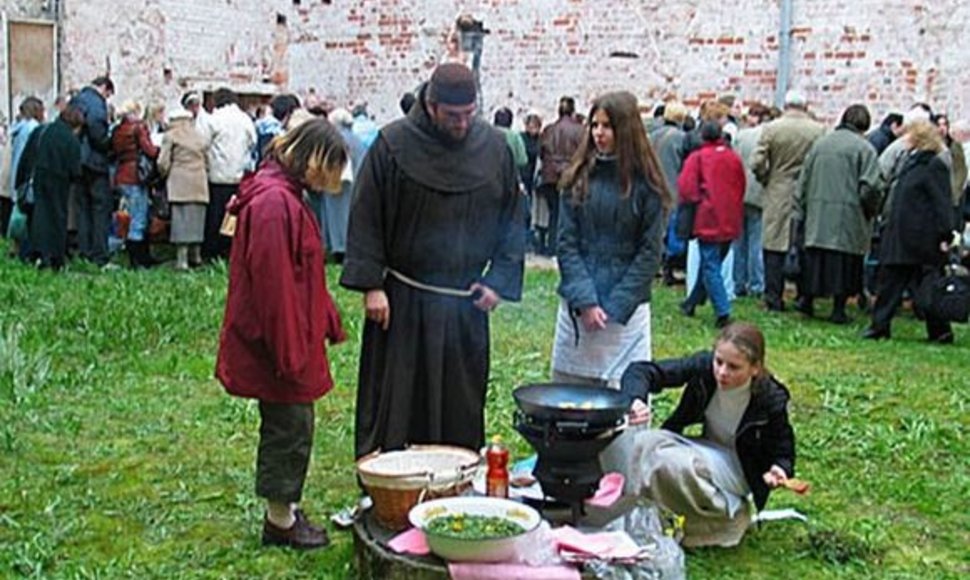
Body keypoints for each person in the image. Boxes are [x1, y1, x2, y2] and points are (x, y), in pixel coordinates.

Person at [340, 62, 525, 459]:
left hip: (464, 299)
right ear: (431, 105)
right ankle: (394, 471)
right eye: (452, 116)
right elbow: (367, 213)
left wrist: (500, 281)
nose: (462, 124)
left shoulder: (494, 147)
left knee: (460, 394)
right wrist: (372, 284)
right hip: (403, 297)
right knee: (401, 390)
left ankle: (455, 467)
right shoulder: (393, 144)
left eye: (469, 114)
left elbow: (513, 216)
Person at [215, 118, 347, 549]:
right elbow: (274, 286)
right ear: (311, 159)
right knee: (289, 427)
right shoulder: (274, 203)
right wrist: (289, 350)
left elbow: (305, 272)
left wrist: (326, 317)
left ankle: (284, 510)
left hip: (290, 336)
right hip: (277, 341)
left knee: (292, 423)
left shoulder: (287, 195)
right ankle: (280, 521)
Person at [619, 322, 796, 548]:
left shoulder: (770, 398)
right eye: (719, 362)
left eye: (734, 367)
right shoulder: (704, 368)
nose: (722, 372)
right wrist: (635, 399)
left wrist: (778, 469)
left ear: (755, 368)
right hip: (708, 448)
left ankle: (725, 519)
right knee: (644, 443)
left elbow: (784, 449)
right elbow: (643, 371)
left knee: (673, 464)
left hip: (741, 466)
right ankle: (646, 515)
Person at [552, 91, 669, 385]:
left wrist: (616, 305)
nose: (599, 133)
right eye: (594, 125)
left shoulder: (647, 186)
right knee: (569, 400)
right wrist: (586, 300)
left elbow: (649, 252)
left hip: (625, 312)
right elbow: (566, 243)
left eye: (607, 126)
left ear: (625, 130)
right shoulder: (577, 177)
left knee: (624, 403)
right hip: (580, 306)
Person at [863, 121, 957, 343]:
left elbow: (942, 204)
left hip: (923, 238)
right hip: (904, 236)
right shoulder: (912, 162)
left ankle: (940, 331)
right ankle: (880, 326)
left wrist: (945, 234)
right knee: (891, 284)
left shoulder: (934, 166)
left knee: (927, 287)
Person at [797, 104, 883, 323]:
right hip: (848, 217)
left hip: (817, 215)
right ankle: (838, 309)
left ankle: (806, 301)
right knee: (844, 266)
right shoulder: (864, 149)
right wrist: (871, 210)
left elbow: (803, 179)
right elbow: (870, 187)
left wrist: (803, 207)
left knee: (816, 263)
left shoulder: (820, 144)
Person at [751, 90, 826, 312]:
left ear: (785, 105)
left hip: (777, 188)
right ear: (805, 105)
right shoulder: (818, 130)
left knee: (774, 244)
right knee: (804, 243)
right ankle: (805, 296)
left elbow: (756, 162)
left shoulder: (772, 128)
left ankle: (773, 297)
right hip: (808, 190)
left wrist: (767, 178)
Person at [677, 121, 746, 328]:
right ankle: (692, 302)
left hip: (708, 217)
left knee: (710, 264)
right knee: (712, 262)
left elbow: (686, 188)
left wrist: (698, 202)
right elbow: (741, 184)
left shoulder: (698, 158)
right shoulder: (732, 157)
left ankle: (722, 310)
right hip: (731, 217)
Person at [18, 105, 84, 270]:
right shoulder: (71, 140)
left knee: (37, 218)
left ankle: (35, 254)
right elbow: (76, 170)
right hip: (59, 185)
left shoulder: (42, 131)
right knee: (57, 220)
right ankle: (54, 258)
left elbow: (26, 158)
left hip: (38, 182)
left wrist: (20, 182)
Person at [198, 87, 256, 262]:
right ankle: (232, 248)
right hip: (239, 174)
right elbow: (253, 142)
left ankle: (212, 250)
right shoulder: (245, 119)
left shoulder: (213, 119)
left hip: (217, 174)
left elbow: (203, 144)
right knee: (235, 215)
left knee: (215, 215)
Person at [70, 76, 115, 267]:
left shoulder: (76, 99)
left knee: (82, 209)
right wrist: (108, 142)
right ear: (104, 88)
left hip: (76, 162)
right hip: (94, 163)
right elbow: (98, 133)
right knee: (100, 208)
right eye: (108, 94)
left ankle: (84, 250)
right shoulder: (96, 103)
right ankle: (99, 254)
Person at [158, 107, 209, 271]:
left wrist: (164, 174)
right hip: (199, 181)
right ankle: (197, 255)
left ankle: (182, 259)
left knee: (181, 219)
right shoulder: (199, 136)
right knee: (197, 219)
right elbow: (207, 160)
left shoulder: (171, 136)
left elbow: (162, 162)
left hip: (180, 181)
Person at [111, 100, 160, 268]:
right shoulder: (139, 127)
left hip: (121, 175)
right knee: (139, 217)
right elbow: (149, 150)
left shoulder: (117, 129)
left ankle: (137, 256)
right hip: (136, 176)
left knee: (130, 215)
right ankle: (137, 259)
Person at [732, 103, 772, 298]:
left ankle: (738, 281)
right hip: (759, 191)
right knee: (756, 240)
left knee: (739, 241)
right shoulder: (769, 136)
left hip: (739, 191)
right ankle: (756, 283)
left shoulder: (741, 136)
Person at [537, 96, 585, 256]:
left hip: (550, 176)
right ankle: (565, 248)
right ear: (573, 111)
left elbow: (541, 153)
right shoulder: (580, 130)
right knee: (569, 214)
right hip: (570, 176)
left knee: (554, 213)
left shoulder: (548, 130)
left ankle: (552, 246)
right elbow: (585, 154)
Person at [320, 107, 366, 262]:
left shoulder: (337, 139)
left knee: (337, 218)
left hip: (338, 184)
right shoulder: (356, 139)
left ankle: (339, 249)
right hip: (356, 184)